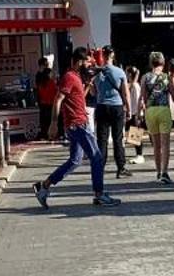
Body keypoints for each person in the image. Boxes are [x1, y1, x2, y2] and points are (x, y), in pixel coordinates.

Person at [35, 47, 117, 210]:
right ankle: (99, 194)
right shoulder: (69, 77)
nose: (89, 64)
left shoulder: (76, 77)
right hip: (77, 123)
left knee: (75, 160)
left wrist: (88, 83)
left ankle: (44, 186)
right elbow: (58, 99)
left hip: (75, 123)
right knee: (97, 157)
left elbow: (78, 97)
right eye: (87, 61)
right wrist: (53, 123)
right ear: (79, 61)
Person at [90, 46, 129, 181]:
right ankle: (121, 168)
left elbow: (93, 93)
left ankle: (100, 167)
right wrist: (128, 107)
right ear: (112, 55)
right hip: (116, 105)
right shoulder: (119, 72)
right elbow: (125, 92)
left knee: (102, 139)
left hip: (101, 106)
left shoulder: (96, 73)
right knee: (118, 138)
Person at [142, 52, 174, 184]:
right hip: (163, 110)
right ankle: (165, 172)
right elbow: (173, 95)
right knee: (165, 145)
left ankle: (157, 172)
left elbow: (143, 97)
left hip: (150, 111)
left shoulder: (145, 77)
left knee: (156, 145)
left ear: (151, 63)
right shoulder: (166, 77)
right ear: (162, 63)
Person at [33, 58, 59, 141]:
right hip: (51, 103)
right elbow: (56, 92)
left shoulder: (40, 83)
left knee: (44, 120)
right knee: (50, 120)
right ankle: (51, 135)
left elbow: (38, 91)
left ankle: (44, 134)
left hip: (43, 103)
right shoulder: (51, 83)